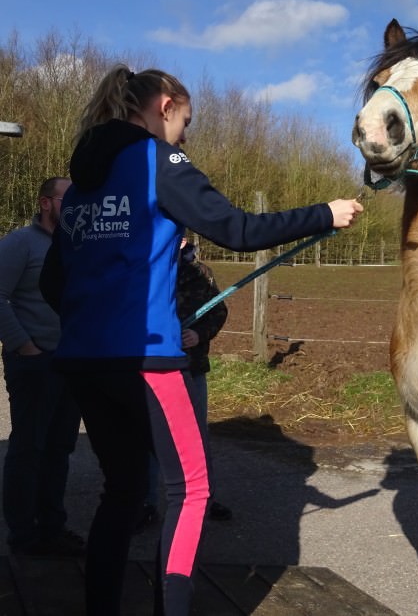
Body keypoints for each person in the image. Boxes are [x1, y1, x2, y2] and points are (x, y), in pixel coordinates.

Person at [39, 65, 363, 616]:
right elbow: (236, 230)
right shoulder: (157, 160)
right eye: (185, 121)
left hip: (83, 361)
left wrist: (94, 317)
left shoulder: (85, 183)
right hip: (147, 360)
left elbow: (53, 281)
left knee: (121, 488)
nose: (185, 136)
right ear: (164, 106)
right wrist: (323, 216)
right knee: (189, 490)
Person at [0, 177, 84, 556]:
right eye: (67, 198)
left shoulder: (76, 246)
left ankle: (53, 526)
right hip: (35, 363)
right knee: (29, 448)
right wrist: (25, 345)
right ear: (46, 203)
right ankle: (23, 536)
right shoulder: (20, 243)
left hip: (71, 363)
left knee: (60, 447)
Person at [135, 237, 231, 531]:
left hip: (191, 366)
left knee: (196, 435)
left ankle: (205, 498)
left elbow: (218, 311)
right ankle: (146, 503)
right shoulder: (143, 270)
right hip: (150, 368)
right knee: (148, 437)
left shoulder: (200, 273)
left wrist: (199, 335)